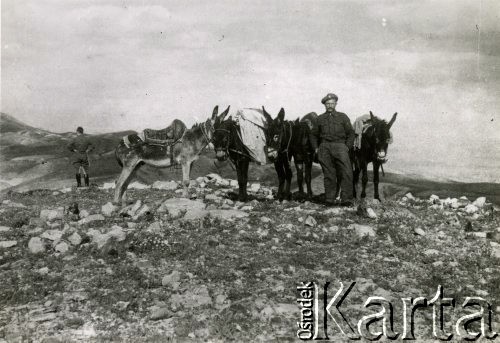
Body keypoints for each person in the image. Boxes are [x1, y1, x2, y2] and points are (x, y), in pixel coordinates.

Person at [310, 93, 355, 206]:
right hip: (324, 147)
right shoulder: (319, 119)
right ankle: (329, 199)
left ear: (336, 104)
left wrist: (347, 147)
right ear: (324, 105)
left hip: (340, 146)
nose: (330, 105)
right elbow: (313, 134)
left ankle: (346, 200)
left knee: (346, 172)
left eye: (332, 103)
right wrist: (316, 148)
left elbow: (351, 133)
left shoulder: (343, 117)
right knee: (329, 174)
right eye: (327, 103)